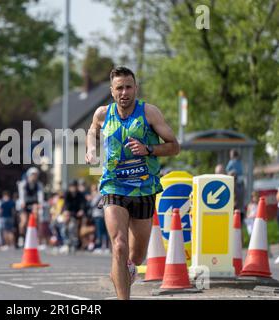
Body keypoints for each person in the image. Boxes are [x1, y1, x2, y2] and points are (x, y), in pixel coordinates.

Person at [85, 66, 180, 300]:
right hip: (114, 186)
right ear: (112, 91)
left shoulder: (149, 113)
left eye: (129, 87)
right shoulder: (102, 114)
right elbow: (92, 130)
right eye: (119, 88)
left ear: (135, 88)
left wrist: (149, 149)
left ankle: (126, 269)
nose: (124, 92)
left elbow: (174, 146)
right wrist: (91, 149)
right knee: (119, 245)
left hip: (144, 187)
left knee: (136, 257)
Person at [17, 167, 44, 247]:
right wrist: (22, 202)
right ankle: (21, 238)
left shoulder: (39, 185)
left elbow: (40, 195)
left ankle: (37, 240)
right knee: (24, 222)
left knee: (36, 220)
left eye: (35, 175)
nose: (34, 177)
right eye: (33, 175)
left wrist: (40, 203)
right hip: (25, 204)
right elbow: (21, 194)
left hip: (34, 203)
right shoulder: (23, 184)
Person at [61, 180, 87, 253]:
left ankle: (74, 244)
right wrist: (66, 211)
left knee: (72, 228)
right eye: (72, 187)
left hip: (76, 214)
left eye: (74, 187)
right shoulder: (67, 193)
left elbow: (83, 203)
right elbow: (65, 203)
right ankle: (66, 243)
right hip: (67, 212)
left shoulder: (80, 194)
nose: (73, 188)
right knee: (64, 228)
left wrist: (81, 210)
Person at [90, 184, 109, 252]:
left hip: (98, 215)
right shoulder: (107, 195)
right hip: (105, 215)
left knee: (99, 232)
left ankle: (100, 246)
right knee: (105, 232)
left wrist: (93, 197)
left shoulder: (99, 195)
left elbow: (92, 204)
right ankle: (106, 247)